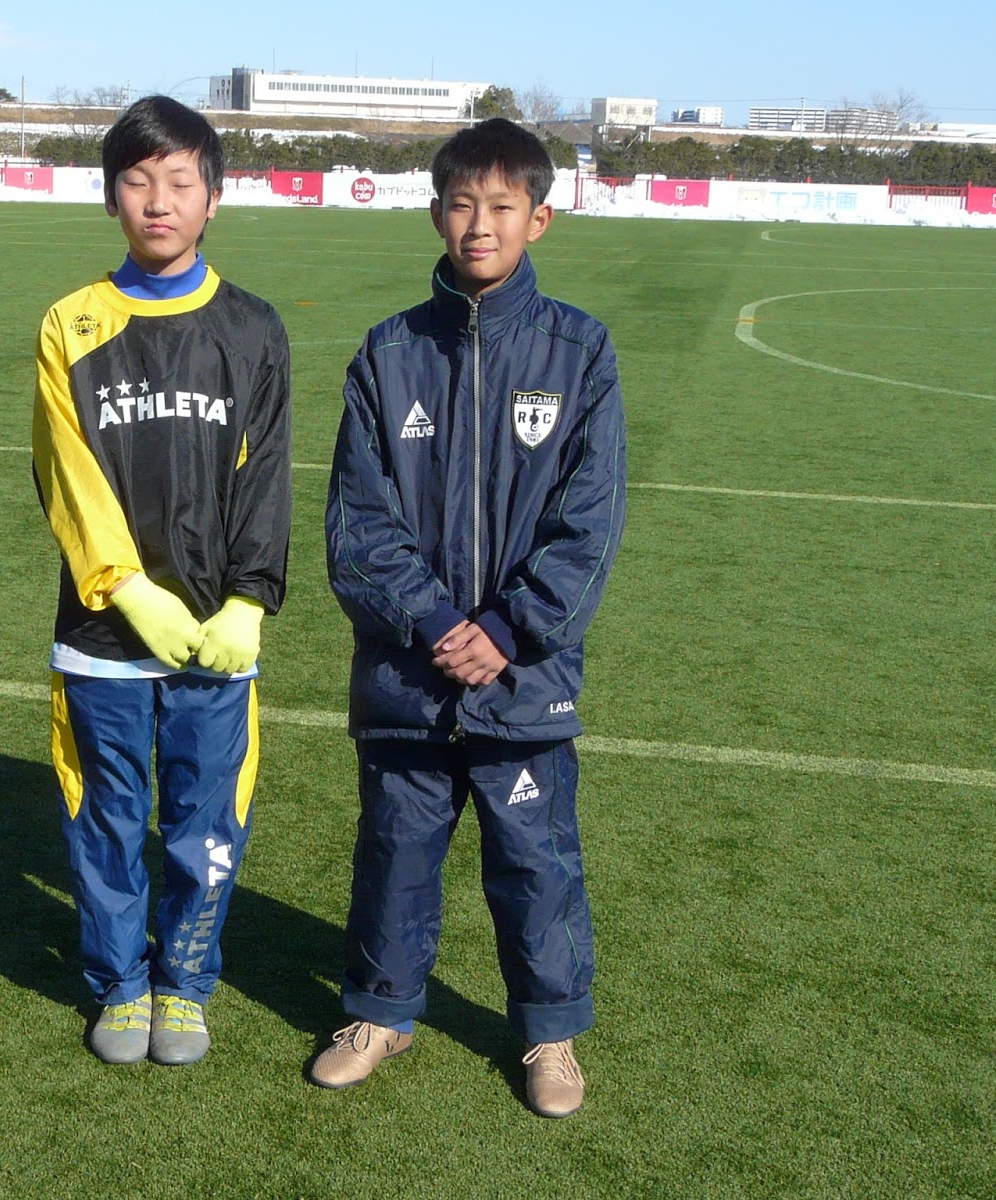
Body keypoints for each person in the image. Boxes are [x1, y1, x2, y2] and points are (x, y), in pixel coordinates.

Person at [311, 118, 626, 1117]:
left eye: (501, 207)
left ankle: (547, 1035)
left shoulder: (579, 351)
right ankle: (379, 1010)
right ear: (435, 211)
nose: (478, 225)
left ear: (540, 217)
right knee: (394, 851)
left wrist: (510, 630)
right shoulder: (389, 352)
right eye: (461, 203)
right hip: (410, 674)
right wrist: (441, 621)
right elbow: (356, 523)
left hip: (522, 681)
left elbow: (590, 519)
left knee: (535, 866)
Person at [31, 95, 291, 1067]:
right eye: (137, 180)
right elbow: (64, 470)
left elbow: (265, 474)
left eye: (179, 180)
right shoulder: (72, 323)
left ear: (212, 198)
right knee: (104, 823)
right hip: (100, 639)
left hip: (214, 643)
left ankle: (182, 982)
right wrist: (125, 587)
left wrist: (246, 598)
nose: (157, 200)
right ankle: (118, 985)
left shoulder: (254, 329)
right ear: (110, 196)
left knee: (201, 825)